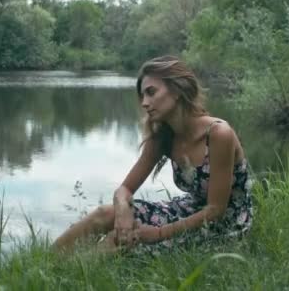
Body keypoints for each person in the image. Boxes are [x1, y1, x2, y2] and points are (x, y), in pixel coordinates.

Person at [53, 56, 253, 253]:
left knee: (122, 243)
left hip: (224, 223)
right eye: (142, 96)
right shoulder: (163, 137)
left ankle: (66, 276)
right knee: (106, 214)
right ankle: (44, 263)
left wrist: (158, 233)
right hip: (189, 210)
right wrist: (122, 209)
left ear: (176, 90)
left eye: (151, 92)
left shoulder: (218, 134)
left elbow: (215, 210)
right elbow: (124, 189)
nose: (144, 103)